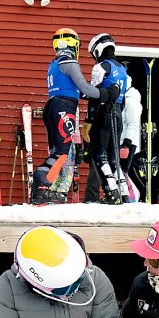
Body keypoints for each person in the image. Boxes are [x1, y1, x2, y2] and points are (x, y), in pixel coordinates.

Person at [33, 28, 118, 205]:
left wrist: (97, 95)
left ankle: (48, 189)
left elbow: (77, 91)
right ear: (74, 45)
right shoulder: (69, 62)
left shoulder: (54, 64)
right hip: (63, 108)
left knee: (56, 151)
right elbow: (85, 88)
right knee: (62, 153)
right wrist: (107, 94)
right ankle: (41, 186)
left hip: (53, 106)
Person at [86, 33, 128, 205]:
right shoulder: (123, 70)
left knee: (99, 154)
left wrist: (89, 121)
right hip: (118, 114)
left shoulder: (101, 67)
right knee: (113, 157)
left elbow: (93, 95)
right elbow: (123, 100)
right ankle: (123, 193)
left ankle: (111, 192)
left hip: (103, 112)